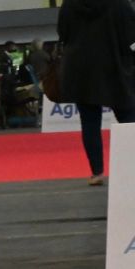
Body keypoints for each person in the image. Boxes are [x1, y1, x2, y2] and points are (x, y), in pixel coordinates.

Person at [58, 0, 135, 186]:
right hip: (114, 67)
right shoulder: (120, 3)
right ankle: (130, 167)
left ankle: (97, 172)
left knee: (90, 122)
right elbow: (130, 37)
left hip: (81, 70)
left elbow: (63, 34)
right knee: (128, 119)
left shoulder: (69, 4)